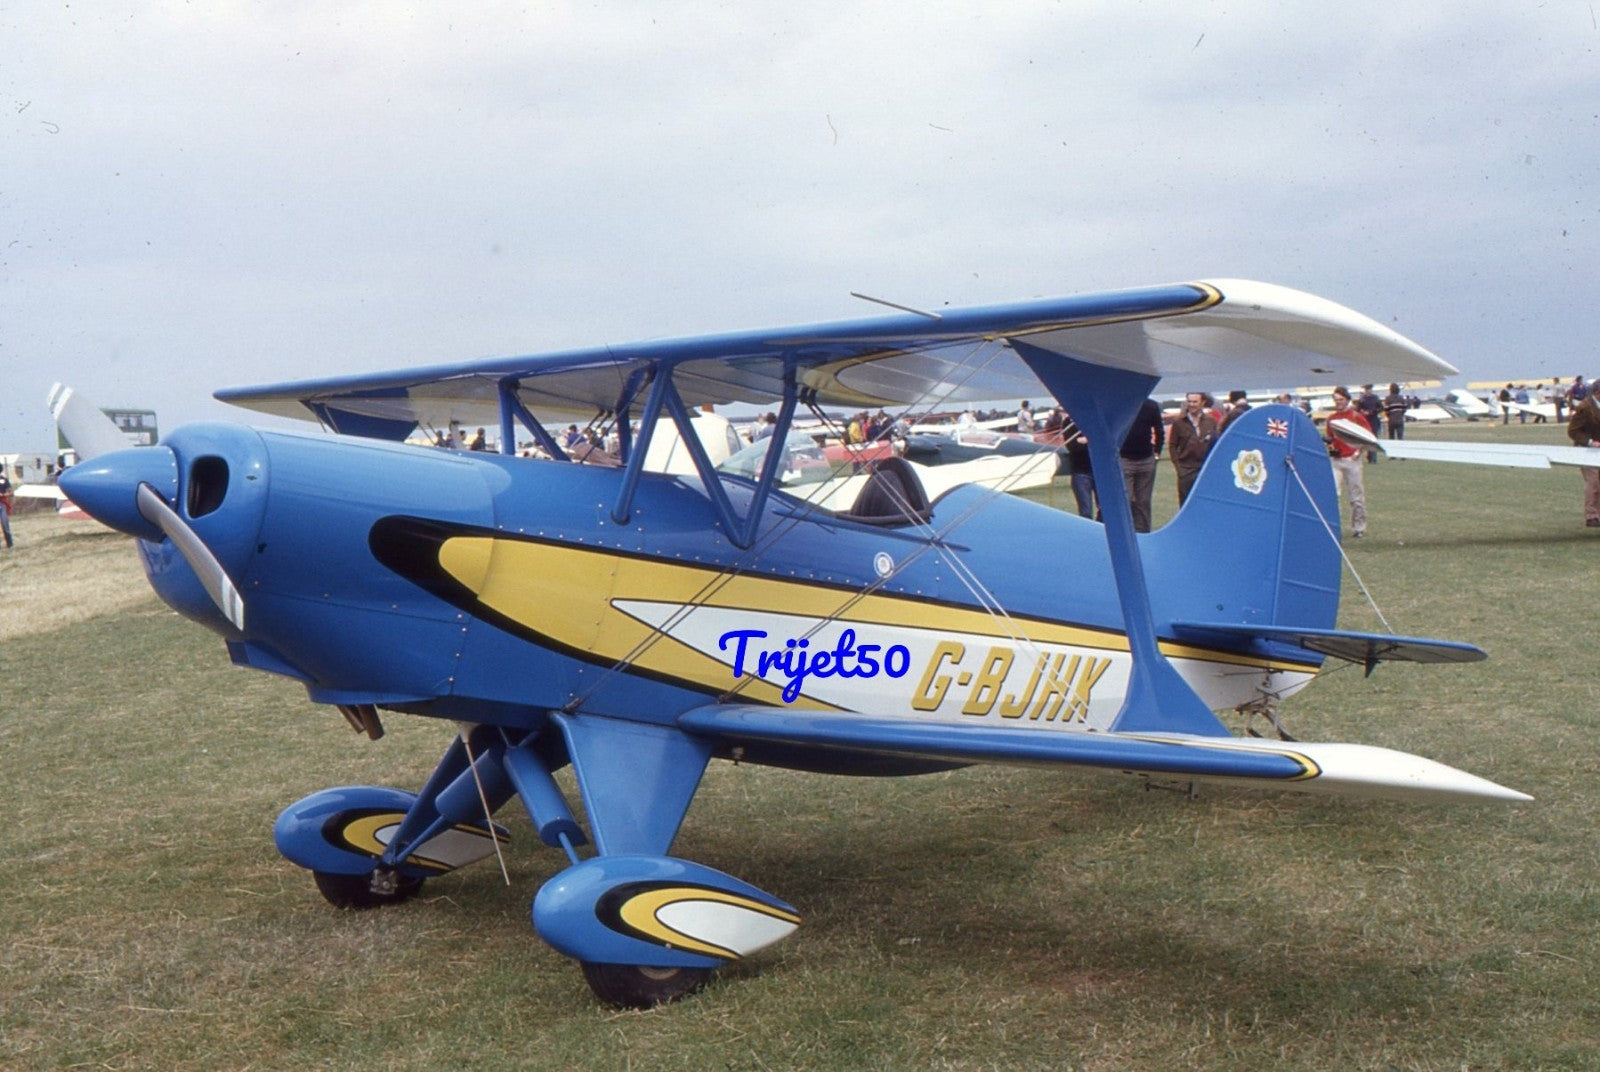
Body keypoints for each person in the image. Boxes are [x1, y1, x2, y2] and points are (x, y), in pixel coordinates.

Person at [1325, 386, 1370, 539]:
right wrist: (1330, 446)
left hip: (1352, 459)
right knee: (1333, 495)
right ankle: (1333, 527)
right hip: (1336, 460)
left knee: (1356, 496)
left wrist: (1357, 453)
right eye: (1336, 400)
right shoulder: (1331, 418)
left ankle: (1359, 527)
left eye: (1341, 400)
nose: (1338, 403)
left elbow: (1368, 436)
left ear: (1347, 400)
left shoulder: (1356, 416)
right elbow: (1330, 436)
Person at [1119, 398, 1165, 533]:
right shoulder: (1120, 404)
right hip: (1125, 458)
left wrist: (1157, 451)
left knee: (1143, 501)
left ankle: (1143, 532)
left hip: (1146, 458)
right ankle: (1126, 531)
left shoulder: (1150, 406)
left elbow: (1159, 430)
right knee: (1127, 499)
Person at [1167, 392, 1217, 506]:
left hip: (1204, 469)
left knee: (1205, 502)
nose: (1192, 404)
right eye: (1189, 401)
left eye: (1195, 402)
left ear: (1202, 403)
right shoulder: (1179, 422)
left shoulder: (1210, 421)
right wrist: (1179, 468)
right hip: (1186, 469)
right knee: (1185, 503)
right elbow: (1172, 445)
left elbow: (1215, 443)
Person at [1565, 383, 1600, 528]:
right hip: (1585, 451)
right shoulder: (1584, 408)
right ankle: (1591, 516)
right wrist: (1590, 442)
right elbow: (1573, 431)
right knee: (1593, 482)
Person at [1061, 415, 1096, 520]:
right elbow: (1071, 446)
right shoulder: (1069, 421)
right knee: (1085, 511)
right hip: (1080, 470)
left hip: (1098, 471)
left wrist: (1082, 440)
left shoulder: (1096, 418)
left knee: (1105, 509)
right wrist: (1088, 440)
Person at [0, 470, 13, 548]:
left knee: (5, 524)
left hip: (2, 503)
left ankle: (9, 543)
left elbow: (10, 492)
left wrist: (3, 494)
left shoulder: (4, 480)